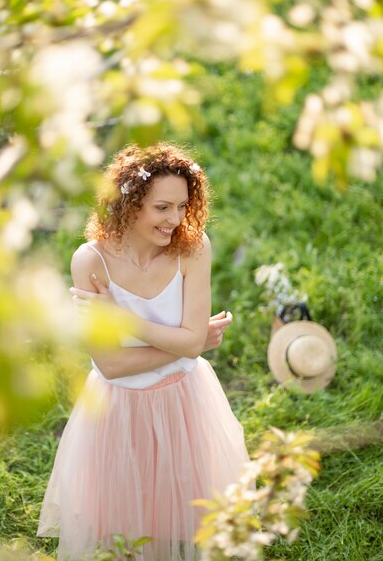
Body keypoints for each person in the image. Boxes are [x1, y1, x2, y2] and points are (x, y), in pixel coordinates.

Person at [37, 143, 249, 561]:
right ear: (129, 205)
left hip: (185, 401)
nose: (176, 219)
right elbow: (113, 365)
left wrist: (125, 320)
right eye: (162, 207)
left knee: (185, 509)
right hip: (119, 410)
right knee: (126, 524)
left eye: (183, 206)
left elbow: (190, 342)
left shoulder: (193, 247)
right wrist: (188, 345)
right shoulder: (91, 260)